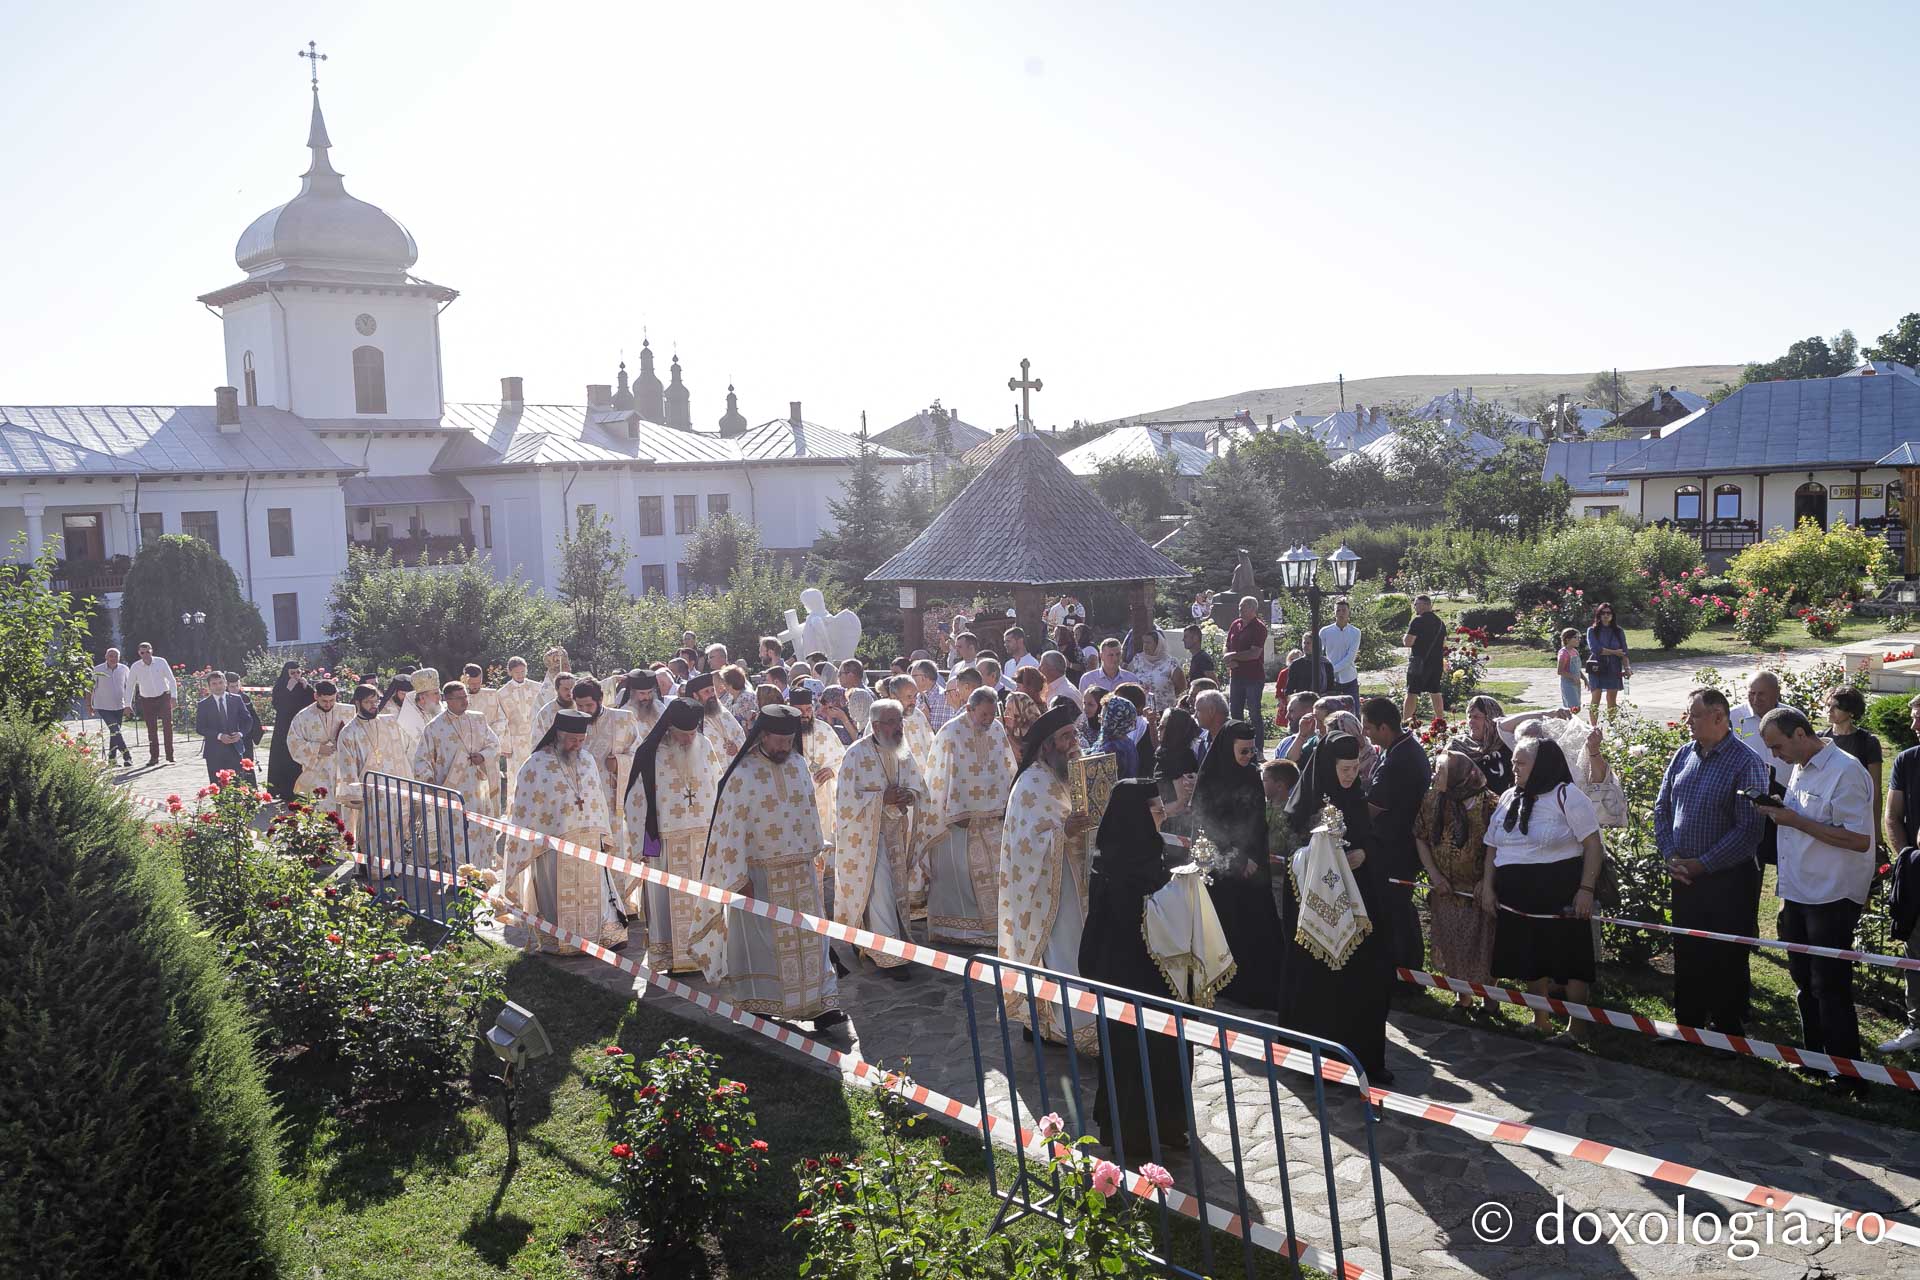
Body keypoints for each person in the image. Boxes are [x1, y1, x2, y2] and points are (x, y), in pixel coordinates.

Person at [691, 705, 845, 1031]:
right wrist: (738, 876)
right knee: (761, 943)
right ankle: (758, 1003)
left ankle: (820, 1005)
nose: (783, 747)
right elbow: (729, 829)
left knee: (810, 939)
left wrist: (814, 855)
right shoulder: (742, 774)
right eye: (778, 741)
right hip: (758, 874)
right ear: (762, 734)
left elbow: (808, 812)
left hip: (800, 872)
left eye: (789, 741)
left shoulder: (798, 765)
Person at [1758, 707, 1876, 1095]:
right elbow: (1803, 819)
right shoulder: (1801, 764)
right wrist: (1782, 812)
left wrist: (1794, 820)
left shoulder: (1846, 771)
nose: (1775, 755)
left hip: (1831, 893)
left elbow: (1859, 839)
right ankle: (1815, 1056)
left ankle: (1846, 1072)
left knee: (1830, 984)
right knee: (1804, 980)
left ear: (1800, 733)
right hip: (1798, 890)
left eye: (1777, 746)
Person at [1080, 778, 1193, 1157]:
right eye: (1157, 811)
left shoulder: (1157, 852)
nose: (1163, 817)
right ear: (1135, 816)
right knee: (1131, 1057)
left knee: (1168, 1051)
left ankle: (1169, 1125)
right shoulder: (1113, 864)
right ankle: (1133, 1134)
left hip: (1160, 973)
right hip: (1127, 976)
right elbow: (1130, 917)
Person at [1652, 687, 1771, 1037]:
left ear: (1720, 717)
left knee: (1725, 955)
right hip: (1683, 875)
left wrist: (1702, 864)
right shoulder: (1683, 754)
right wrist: (1671, 856)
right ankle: (1688, 1024)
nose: (1688, 721)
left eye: (1695, 714)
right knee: (1687, 950)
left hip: (1727, 880)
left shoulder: (1746, 762)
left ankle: (1728, 1030)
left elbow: (1749, 829)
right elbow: (1662, 808)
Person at [1276, 732, 1395, 1081]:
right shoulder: (1307, 807)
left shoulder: (1355, 797)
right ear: (1329, 767)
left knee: (1365, 980)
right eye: (1344, 769)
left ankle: (1365, 1059)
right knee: (1319, 986)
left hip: (1357, 907)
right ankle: (1314, 1062)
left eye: (1355, 768)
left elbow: (1371, 839)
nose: (1350, 776)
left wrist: (1366, 854)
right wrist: (1327, 855)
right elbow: (1295, 856)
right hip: (1317, 911)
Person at [1481, 738, 1604, 1040]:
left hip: (1560, 897)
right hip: (1516, 900)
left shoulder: (1568, 796)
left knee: (1570, 960)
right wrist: (1488, 886)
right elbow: (1492, 846)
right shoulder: (1510, 796)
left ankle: (1578, 1027)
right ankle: (1541, 1020)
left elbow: (1593, 846)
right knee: (1530, 960)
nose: (1514, 767)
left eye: (1520, 763)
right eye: (1514, 762)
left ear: (1542, 765)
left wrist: (1586, 889)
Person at [998, 702, 1100, 1048]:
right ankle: (1066, 1027)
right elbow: (1025, 841)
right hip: (1045, 886)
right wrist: (1064, 831)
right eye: (1065, 737)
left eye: (1074, 735)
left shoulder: (1067, 774)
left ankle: (1052, 1023)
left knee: (1074, 950)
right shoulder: (1031, 783)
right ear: (1047, 745)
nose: (1073, 742)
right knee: (1062, 950)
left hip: (1072, 879)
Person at [502, 708, 628, 953]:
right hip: (553, 843)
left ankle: (600, 936)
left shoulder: (588, 759)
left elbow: (596, 798)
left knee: (595, 892)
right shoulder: (536, 764)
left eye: (581, 740)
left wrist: (602, 832)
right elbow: (525, 806)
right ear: (558, 735)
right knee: (559, 895)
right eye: (572, 740)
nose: (577, 745)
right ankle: (561, 942)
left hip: (588, 840)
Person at [624, 697, 720, 973]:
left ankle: (707, 954)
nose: (690, 739)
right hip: (666, 842)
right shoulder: (650, 752)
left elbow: (717, 787)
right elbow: (636, 801)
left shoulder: (706, 746)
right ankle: (671, 957)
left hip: (702, 841)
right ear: (669, 729)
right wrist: (643, 845)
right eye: (684, 734)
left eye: (693, 733)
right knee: (666, 901)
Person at [830, 698, 927, 975]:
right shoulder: (855, 754)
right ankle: (888, 957)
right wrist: (881, 799)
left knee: (894, 892)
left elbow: (918, 784)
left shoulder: (902, 750)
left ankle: (883, 943)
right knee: (880, 891)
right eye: (892, 722)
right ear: (874, 726)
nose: (898, 728)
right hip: (865, 838)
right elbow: (845, 801)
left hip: (895, 833)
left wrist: (911, 794)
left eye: (900, 721)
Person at [1193, 720, 1279, 1009]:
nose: (1247, 758)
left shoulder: (1251, 774)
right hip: (1224, 872)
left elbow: (1257, 820)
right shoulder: (1210, 778)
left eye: (1251, 752)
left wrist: (1252, 856)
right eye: (1242, 752)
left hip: (1254, 868)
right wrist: (1238, 859)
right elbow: (1207, 824)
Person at [921, 688, 1015, 947]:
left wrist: (1006, 803)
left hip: (991, 818)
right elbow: (938, 776)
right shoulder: (950, 733)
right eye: (983, 714)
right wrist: (952, 810)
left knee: (995, 872)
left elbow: (1006, 766)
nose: (988, 720)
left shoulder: (996, 729)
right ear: (969, 709)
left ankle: (993, 930)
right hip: (957, 821)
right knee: (959, 873)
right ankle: (954, 930)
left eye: (991, 714)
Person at [1416, 751, 1498, 1009]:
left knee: (1482, 947)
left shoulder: (1489, 804)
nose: (1434, 776)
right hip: (1446, 890)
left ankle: (1490, 999)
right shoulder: (1432, 800)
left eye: (1440, 772)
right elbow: (1420, 836)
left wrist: (1487, 882)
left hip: (1477, 891)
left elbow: (1497, 847)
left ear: (1459, 776)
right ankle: (1463, 998)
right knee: (1452, 943)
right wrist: (1435, 874)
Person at [1363, 697, 1432, 973]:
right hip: (1398, 843)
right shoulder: (1399, 748)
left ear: (1383, 727)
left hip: (1396, 846)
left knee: (1396, 910)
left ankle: (1405, 969)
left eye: (1368, 727)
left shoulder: (1398, 761)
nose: (1365, 733)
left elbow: (1374, 808)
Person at [1879, 694, 1920, 1054]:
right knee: (1915, 951)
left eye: (1919, 717)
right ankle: (1917, 1025)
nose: (1913, 725)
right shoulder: (1907, 761)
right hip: (1917, 873)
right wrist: (1908, 858)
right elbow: (1892, 817)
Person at [333, 682, 413, 848]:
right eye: (368, 702)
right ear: (358, 703)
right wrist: (354, 794)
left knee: (394, 829)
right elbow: (347, 767)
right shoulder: (349, 732)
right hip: (368, 790)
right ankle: (371, 870)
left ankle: (394, 867)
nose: (373, 706)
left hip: (392, 787)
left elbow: (400, 754)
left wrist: (407, 782)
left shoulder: (389, 723)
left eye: (376, 701)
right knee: (371, 831)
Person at [412, 679, 502, 816]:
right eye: (459, 698)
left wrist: (483, 756)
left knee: (482, 829)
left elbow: (494, 744)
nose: (465, 701)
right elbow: (421, 760)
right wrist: (429, 782)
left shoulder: (478, 719)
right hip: (452, 790)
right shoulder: (434, 727)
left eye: (465, 696)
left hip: (479, 786)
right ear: (447, 700)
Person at [1730, 671, 1787, 865]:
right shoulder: (1733, 718)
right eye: (1751, 693)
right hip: (1745, 806)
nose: (1755, 699)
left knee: (1786, 859)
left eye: (1761, 694)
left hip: (1785, 801)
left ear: (1777, 692)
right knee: (1750, 864)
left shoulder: (1791, 717)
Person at [284, 679, 351, 813]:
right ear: (316, 696)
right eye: (324, 701)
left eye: (332, 700)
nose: (328, 704)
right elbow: (293, 742)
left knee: (345, 809)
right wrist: (318, 748)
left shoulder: (347, 712)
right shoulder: (303, 716)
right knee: (322, 808)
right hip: (318, 771)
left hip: (343, 768)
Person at [1823, 686, 1884, 822]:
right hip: (1825, 810)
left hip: (1856, 811)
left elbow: (1875, 789)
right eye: (1827, 705)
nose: (1829, 710)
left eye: (1836, 707)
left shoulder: (1868, 742)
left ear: (1851, 711)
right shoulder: (1821, 739)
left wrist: (1876, 830)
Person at [1223, 596, 1269, 756]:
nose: (1240, 610)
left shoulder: (1259, 628)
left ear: (1252, 609)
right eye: (1240, 607)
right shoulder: (1235, 624)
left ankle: (1259, 749)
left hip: (1253, 677)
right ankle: (1238, 746)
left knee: (1254, 712)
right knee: (1235, 712)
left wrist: (1233, 657)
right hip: (1236, 675)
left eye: (1243, 607)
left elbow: (1254, 653)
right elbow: (1227, 645)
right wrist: (1228, 659)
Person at [263, 662, 314, 800]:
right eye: (293, 673)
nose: (296, 676)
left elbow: (312, 703)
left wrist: (307, 687)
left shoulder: (303, 686)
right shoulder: (281, 687)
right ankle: (284, 790)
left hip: (301, 728)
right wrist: (288, 690)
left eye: (298, 672)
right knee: (284, 758)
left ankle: (301, 790)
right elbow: (278, 706)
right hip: (284, 728)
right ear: (286, 674)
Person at [496, 656, 540, 811]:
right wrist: (505, 746)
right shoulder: (502, 693)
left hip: (536, 738)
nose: (521, 675)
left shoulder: (537, 687)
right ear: (510, 672)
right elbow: (501, 720)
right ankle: (517, 811)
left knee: (538, 773)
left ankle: (539, 809)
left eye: (523, 671)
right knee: (517, 775)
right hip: (515, 741)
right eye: (517, 672)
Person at [195, 672, 255, 784]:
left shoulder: (236, 700)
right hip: (214, 751)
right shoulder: (204, 705)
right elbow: (200, 728)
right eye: (214, 684)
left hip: (235, 748)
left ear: (225, 683)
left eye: (220, 683)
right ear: (209, 686)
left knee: (237, 783)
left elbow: (248, 720)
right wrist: (219, 736)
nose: (218, 686)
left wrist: (240, 734)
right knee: (218, 784)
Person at [1451, 694, 1515, 795]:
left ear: (1491, 719)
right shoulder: (1458, 745)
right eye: (1469, 716)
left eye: (1476, 717)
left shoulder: (1507, 747)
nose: (1471, 722)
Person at [129, 641, 178, 766]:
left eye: (147, 651)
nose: (145, 654)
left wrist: (174, 697)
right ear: (139, 653)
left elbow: (171, 679)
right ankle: (154, 757)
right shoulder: (135, 666)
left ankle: (170, 755)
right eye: (142, 652)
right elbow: (130, 686)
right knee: (151, 729)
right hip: (147, 699)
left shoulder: (161, 662)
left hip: (163, 697)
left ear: (152, 651)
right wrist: (127, 704)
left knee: (168, 726)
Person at [1402, 595, 1449, 724]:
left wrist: (1404, 637)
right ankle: (1440, 721)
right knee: (1435, 691)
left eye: (1416, 604)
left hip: (1419, 663)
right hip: (1436, 663)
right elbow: (1444, 643)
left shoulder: (1417, 621)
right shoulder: (1440, 623)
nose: (1415, 607)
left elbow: (1408, 642)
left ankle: (1405, 722)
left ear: (1424, 605)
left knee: (1412, 692)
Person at [86, 647, 135, 768]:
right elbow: (89, 688)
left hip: (120, 705)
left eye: (116, 656)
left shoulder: (124, 669)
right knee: (115, 730)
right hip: (103, 706)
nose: (113, 658)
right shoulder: (97, 670)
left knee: (114, 733)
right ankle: (127, 756)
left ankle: (112, 760)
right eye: (111, 656)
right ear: (106, 657)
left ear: (119, 657)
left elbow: (129, 688)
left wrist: (129, 705)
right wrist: (89, 704)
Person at [1584, 602, 1630, 722]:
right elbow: (1596, 649)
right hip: (1597, 667)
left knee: (1611, 698)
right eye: (1603, 613)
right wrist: (1615, 652)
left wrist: (1627, 668)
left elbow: (1624, 652)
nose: (1605, 615)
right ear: (1598, 615)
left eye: (1608, 613)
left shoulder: (1618, 631)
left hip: (1614, 667)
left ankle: (1612, 726)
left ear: (1612, 615)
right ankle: (1593, 728)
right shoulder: (1592, 630)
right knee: (1596, 698)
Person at [1125, 627, 1181, 711]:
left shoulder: (1171, 662)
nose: (1145, 645)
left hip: (1165, 710)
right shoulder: (1137, 659)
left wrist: (1166, 696)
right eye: (1144, 642)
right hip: (1143, 710)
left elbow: (1181, 686)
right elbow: (1128, 679)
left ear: (1158, 644)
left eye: (1148, 643)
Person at [1319, 598, 1362, 703]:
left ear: (1349, 613)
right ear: (1334, 613)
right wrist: (1326, 673)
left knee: (1354, 709)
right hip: (1331, 680)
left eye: (1344, 610)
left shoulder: (1355, 632)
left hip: (1349, 677)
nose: (1341, 613)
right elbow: (1319, 654)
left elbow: (1350, 657)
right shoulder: (1325, 632)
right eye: (1338, 610)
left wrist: (1332, 670)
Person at [1093, 693, 1140, 777]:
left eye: (1103, 718)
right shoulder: (1128, 742)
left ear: (1113, 720)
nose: (1100, 721)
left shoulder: (1111, 748)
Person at [1283, 637, 1334, 704]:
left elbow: (1330, 687)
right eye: (1304, 643)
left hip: (1322, 703)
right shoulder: (1296, 664)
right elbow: (1289, 688)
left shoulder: (1326, 664)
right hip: (1302, 702)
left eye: (1308, 643)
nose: (1305, 646)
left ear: (1316, 645)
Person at [1555, 629, 1585, 714]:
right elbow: (1560, 671)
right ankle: (1568, 723)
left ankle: (1570, 723)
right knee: (1572, 708)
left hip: (1576, 683)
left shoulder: (1575, 651)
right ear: (1567, 639)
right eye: (1575, 637)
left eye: (1579, 637)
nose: (1578, 640)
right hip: (1568, 684)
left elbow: (1578, 669)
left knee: (1577, 707)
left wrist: (1585, 679)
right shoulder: (1563, 653)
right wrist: (1572, 677)